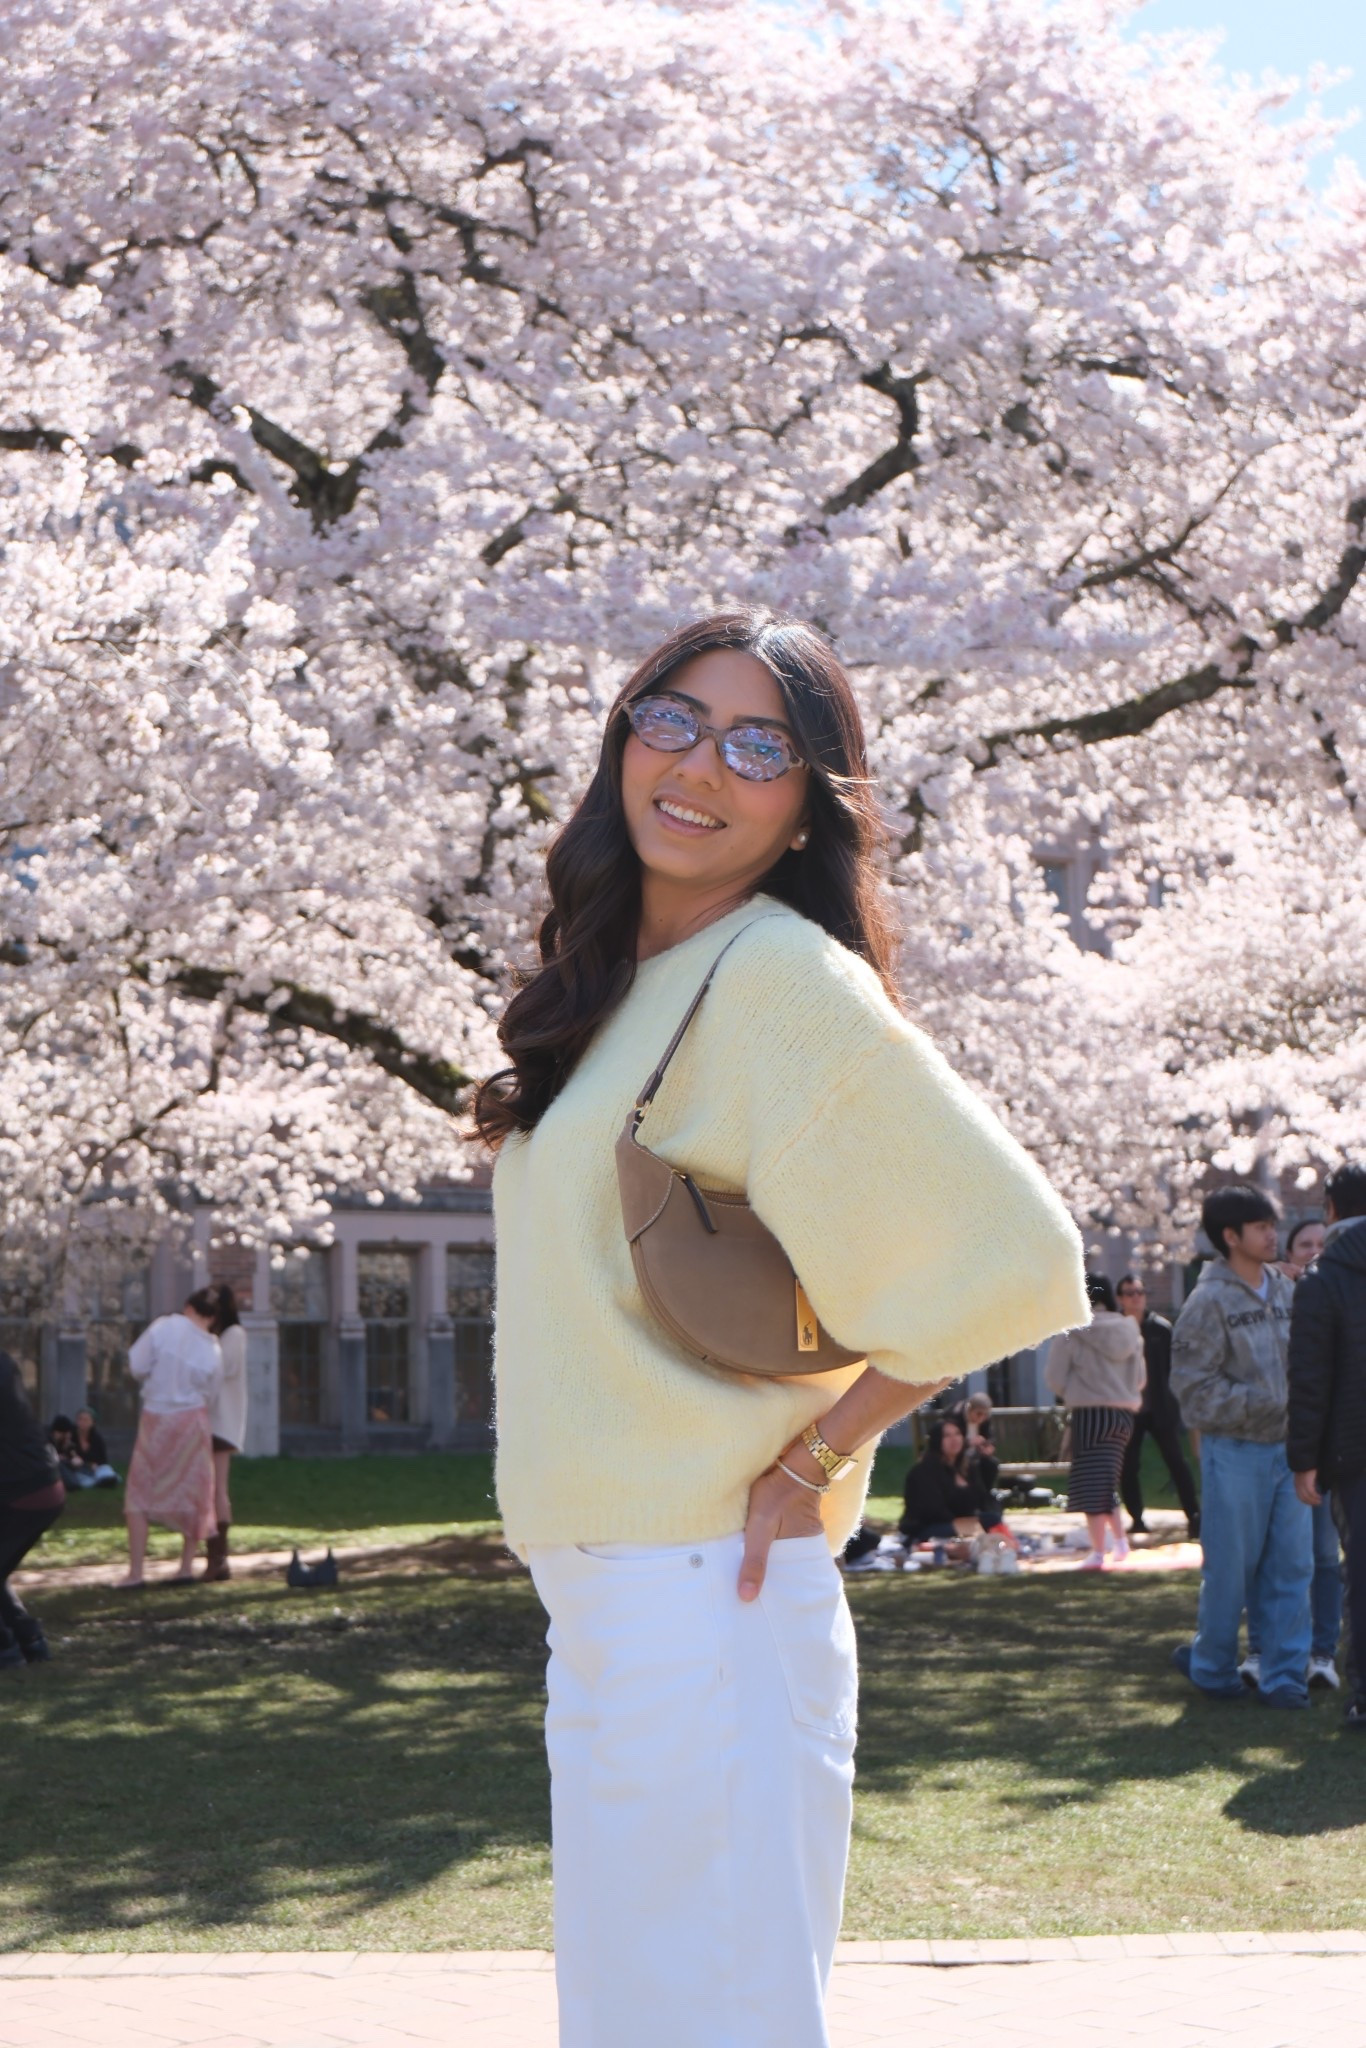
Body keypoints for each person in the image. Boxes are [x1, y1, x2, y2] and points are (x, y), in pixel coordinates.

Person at [474, 609, 1087, 2048]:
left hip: (710, 1593)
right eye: (673, 718)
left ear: (810, 800)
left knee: (720, 2019)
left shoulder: (777, 979)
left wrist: (816, 1458)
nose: (700, 765)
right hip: (615, 1598)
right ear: (626, 730)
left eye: (760, 746)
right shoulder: (621, 978)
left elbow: (1011, 1254)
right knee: (636, 2018)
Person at [1169, 1184, 1310, 1707]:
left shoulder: (1288, 1290)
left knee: (1293, 1567)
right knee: (1230, 1568)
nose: (1273, 1234)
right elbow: (1192, 1389)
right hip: (1236, 1454)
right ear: (1230, 1237)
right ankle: (1212, 1667)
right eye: (1260, 1227)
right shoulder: (1207, 1302)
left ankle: (1285, 1677)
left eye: (1272, 1225)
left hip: (1289, 1453)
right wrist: (1263, 1403)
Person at [1287, 1163, 1366, 1731]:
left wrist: (1303, 1460)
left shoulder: (1323, 1277)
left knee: (1359, 1573)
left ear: (1331, 1209)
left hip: (1353, 1451)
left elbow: (1309, 1379)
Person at [119, 1288, 223, 1589]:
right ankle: (185, 1566)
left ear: (188, 1306)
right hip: (193, 1419)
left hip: (156, 1416)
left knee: (139, 1492)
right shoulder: (213, 1348)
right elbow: (213, 1394)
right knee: (195, 1490)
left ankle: (136, 1572)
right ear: (213, 1317)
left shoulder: (164, 1327)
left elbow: (137, 1365)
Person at [1045, 1273, 1146, 1570]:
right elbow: (1140, 1378)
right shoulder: (1130, 1330)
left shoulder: (1072, 1331)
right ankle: (1121, 1543)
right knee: (1106, 1481)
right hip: (1124, 1414)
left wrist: (1075, 1391)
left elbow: (1054, 1376)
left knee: (1091, 1482)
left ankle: (1099, 1551)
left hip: (1090, 1413)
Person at [1116, 1274, 1200, 1539]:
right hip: (1129, 1410)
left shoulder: (1160, 1328)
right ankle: (1137, 1518)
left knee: (1176, 1462)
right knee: (1128, 1466)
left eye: (1140, 1292)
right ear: (1120, 1298)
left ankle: (1195, 1517)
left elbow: (1176, 1369)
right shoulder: (1115, 1330)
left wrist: (1177, 1402)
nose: (1136, 1297)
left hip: (1160, 1409)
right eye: (1129, 1293)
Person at [0, 1350, 66, 1666]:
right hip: (45, 1483)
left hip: (20, 1488)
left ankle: (6, 1650)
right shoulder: (6, 1364)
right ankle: (30, 1639)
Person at [899, 1416, 1008, 1543]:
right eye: (947, 1436)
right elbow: (933, 1511)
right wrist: (966, 1523)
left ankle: (1007, 1550)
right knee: (972, 1531)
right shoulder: (924, 1471)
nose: (954, 1439)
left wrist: (986, 1460)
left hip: (962, 1523)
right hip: (928, 1528)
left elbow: (982, 1496)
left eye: (957, 1434)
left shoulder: (966, 1467)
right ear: (937, 1440)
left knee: (993, 1520)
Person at [202, 1285, 247, 1582]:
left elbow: (224, 1368)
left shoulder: (233, 1336)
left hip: (221, 1420)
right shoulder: (221, 1337)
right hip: (209, 1420)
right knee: (210, 1488)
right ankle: (214, 1557)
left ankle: (219, 1558)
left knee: (217, 1488)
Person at [950, 1391, 1001, 1493]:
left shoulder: (985, 1419)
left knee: (991, 1464)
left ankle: (985, 1498)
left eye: (985, 1415)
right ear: (969, 1409)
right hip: (957, 1456)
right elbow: (949, 1443)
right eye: (978, 1414)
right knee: (972, 1467)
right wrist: (968, 1443)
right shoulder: (955, 1415)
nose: (981, 1418)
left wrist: (989, 1446)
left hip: (977, 1455)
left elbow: (990, 1437)